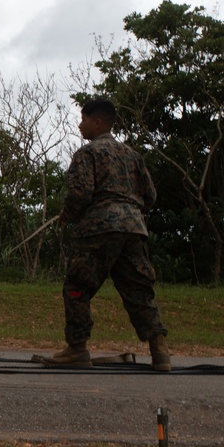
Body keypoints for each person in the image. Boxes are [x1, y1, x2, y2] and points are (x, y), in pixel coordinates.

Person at [42, 97, 170, 371]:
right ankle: (160, 353)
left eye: (84, 119)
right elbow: (151, 195)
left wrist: (68, 214)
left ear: (97, 122)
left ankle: (77, 349)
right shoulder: (133, 155)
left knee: (77, 287)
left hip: (98, 229)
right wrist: (129, 211)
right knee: (139, 290)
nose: (80, 125)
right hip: (134, 229)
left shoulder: (86, 154)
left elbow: (80, 193)